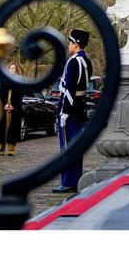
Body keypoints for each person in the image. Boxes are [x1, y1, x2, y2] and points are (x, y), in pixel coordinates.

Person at [51, 28, 94, 194]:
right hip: (80, 107)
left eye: (70, 43)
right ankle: (75, 179)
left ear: (76, 44)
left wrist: (64, 112)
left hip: (70, 109)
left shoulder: (74, 61)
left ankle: (68, 181)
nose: (69, 46)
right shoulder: (86, 61)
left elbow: (69, 89)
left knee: (67, 146)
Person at [0, 61, 22, 156]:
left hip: (14, 109)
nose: (11, 70)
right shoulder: (4, 80)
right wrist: (4, 105)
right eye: (10, 68)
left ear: (16, 70)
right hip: (4, 108)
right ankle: (0, 149)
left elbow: (20, 95)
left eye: (13, 68)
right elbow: (0, 93)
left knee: (12, 129)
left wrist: (13, 105)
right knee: (2, 129)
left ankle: (11, 150)